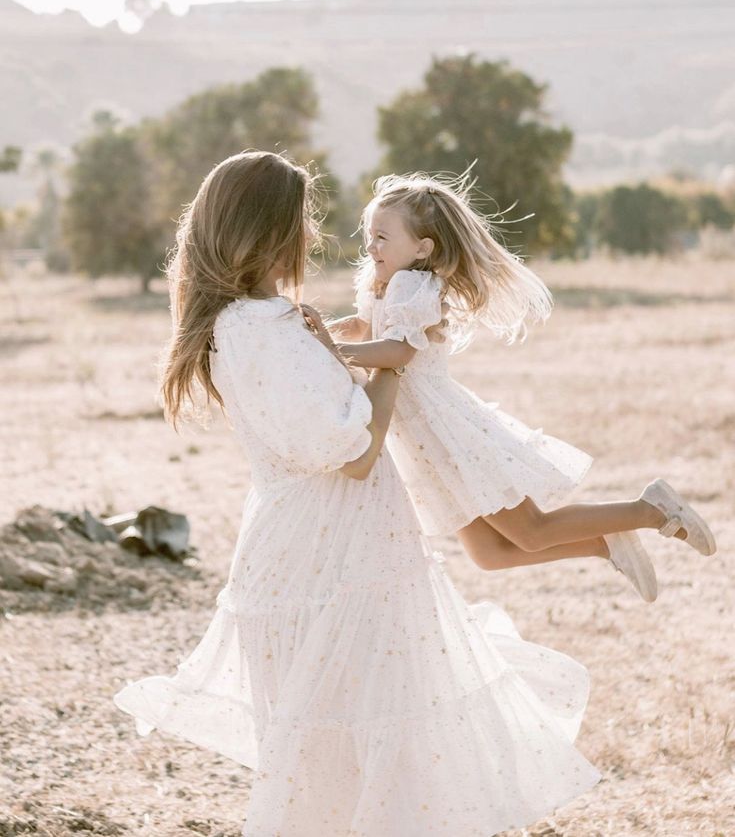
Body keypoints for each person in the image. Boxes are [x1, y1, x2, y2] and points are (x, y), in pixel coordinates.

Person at [113, 150, 602, 837]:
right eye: (300, 221)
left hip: (324, 553)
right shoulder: (263, 331)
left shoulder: (256, 323)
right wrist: (398, 361)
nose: (311, 237)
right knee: (363, 760)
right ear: (267, 230)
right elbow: (355, 452)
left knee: (355, 759)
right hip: (332, 563)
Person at [320, 171, 717, 604]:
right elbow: (365, 327)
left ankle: (651, 509)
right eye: (368, 235)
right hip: (421, 445)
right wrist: (322, 332)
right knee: (491, 554)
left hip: (444, 432)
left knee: (531, 531)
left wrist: (331, 350)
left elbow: (397, 352)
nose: (370, 246)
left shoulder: (414, 285)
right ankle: (606, 544)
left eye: (381, 236)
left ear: (422, 247)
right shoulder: (384, 284)